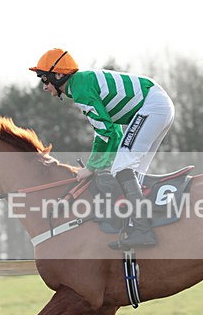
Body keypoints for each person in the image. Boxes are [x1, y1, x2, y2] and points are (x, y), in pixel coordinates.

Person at [29, 48, 175, 249]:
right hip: (157, 105)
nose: (44, 87)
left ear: (59, 75)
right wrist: (102, 164)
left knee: (123, 167)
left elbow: (104, 132)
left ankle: (143, 230)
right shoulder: (80, 84)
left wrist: (91, 167)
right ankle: (137, 225)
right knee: (132, 170)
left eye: (44, 79)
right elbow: (113, 131)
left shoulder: (79, 89)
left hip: (152, 107)